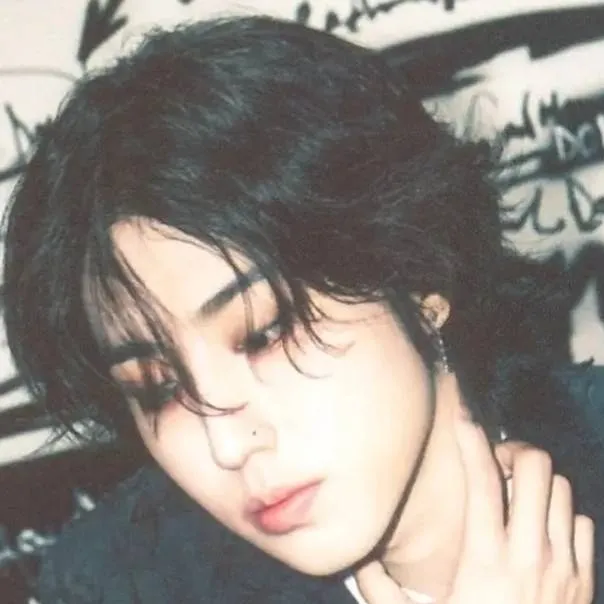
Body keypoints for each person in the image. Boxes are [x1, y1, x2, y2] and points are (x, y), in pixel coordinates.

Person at [3, 15, 603, 604]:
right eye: (158, 387)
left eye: (265, 334)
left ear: (420, 274)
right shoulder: (119, 585)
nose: (227, 444)